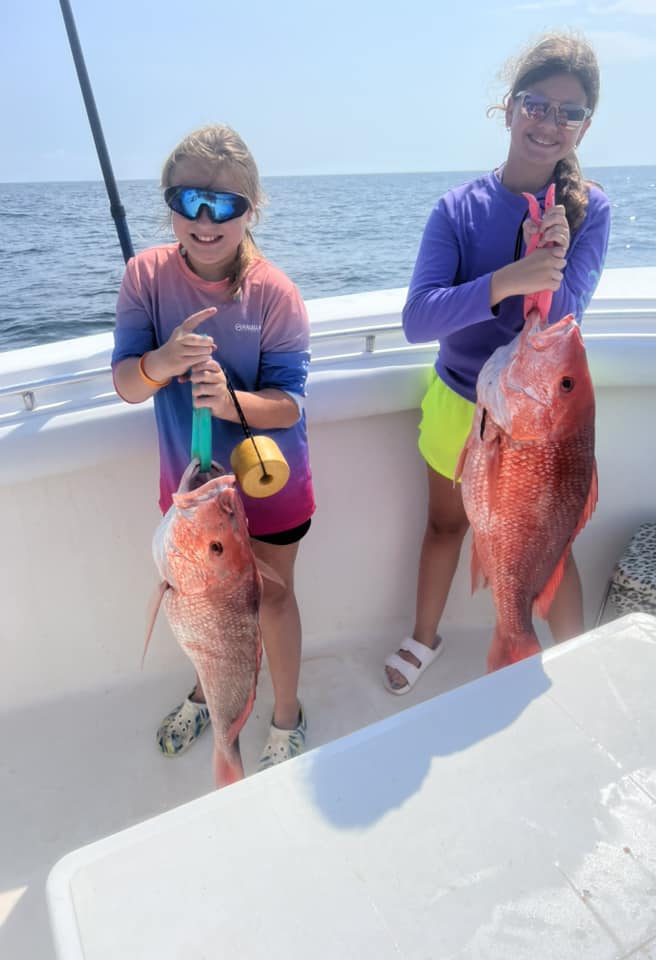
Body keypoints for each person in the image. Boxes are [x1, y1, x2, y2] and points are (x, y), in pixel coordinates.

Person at [384, 32, 611, 693]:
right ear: (508, 110)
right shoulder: (457, 211)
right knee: (444, 524)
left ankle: (568, 656)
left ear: (585, 125)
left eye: (568, 112)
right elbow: (416, 319)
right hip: (460, 398)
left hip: (545, 417)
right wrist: (507, 279)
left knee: (549, 537)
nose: (549, 123)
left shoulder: (591, 209)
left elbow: (566, 318)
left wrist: (556, 259)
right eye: (536, 105)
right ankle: (424, 636)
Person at [112, 124, 314, 769]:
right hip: (192, 490)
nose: (205, 219)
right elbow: (125, 385)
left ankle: (286, 715)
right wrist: (163, 360)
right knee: (202, 603)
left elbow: (289, 404)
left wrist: (229, 402)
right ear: (169, 204)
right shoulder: (145, 276)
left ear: (251, 208)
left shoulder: (275, 293)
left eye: (225, 204)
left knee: (273, 599)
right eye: (188, 200)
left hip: (269, 484)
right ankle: (211, 695)